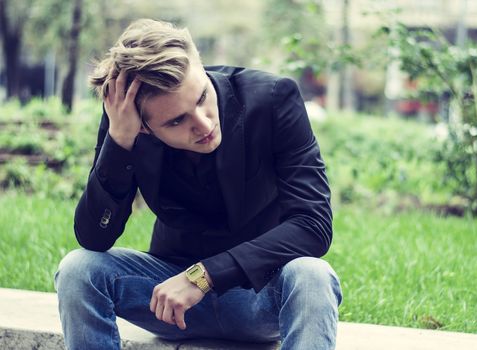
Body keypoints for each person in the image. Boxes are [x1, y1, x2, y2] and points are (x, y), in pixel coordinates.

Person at [54, 18, 342, 350]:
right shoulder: (127, 122)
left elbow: (313, 225)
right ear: (145, 127)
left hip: (260, 295)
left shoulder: (273, 99)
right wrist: (119, 142)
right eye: (177, 121)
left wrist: (204, 276)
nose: (203, 123)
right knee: (78, 270)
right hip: (169, 304)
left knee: (313, 275)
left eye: (202, 97)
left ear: (200, 65)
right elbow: (94, 236)